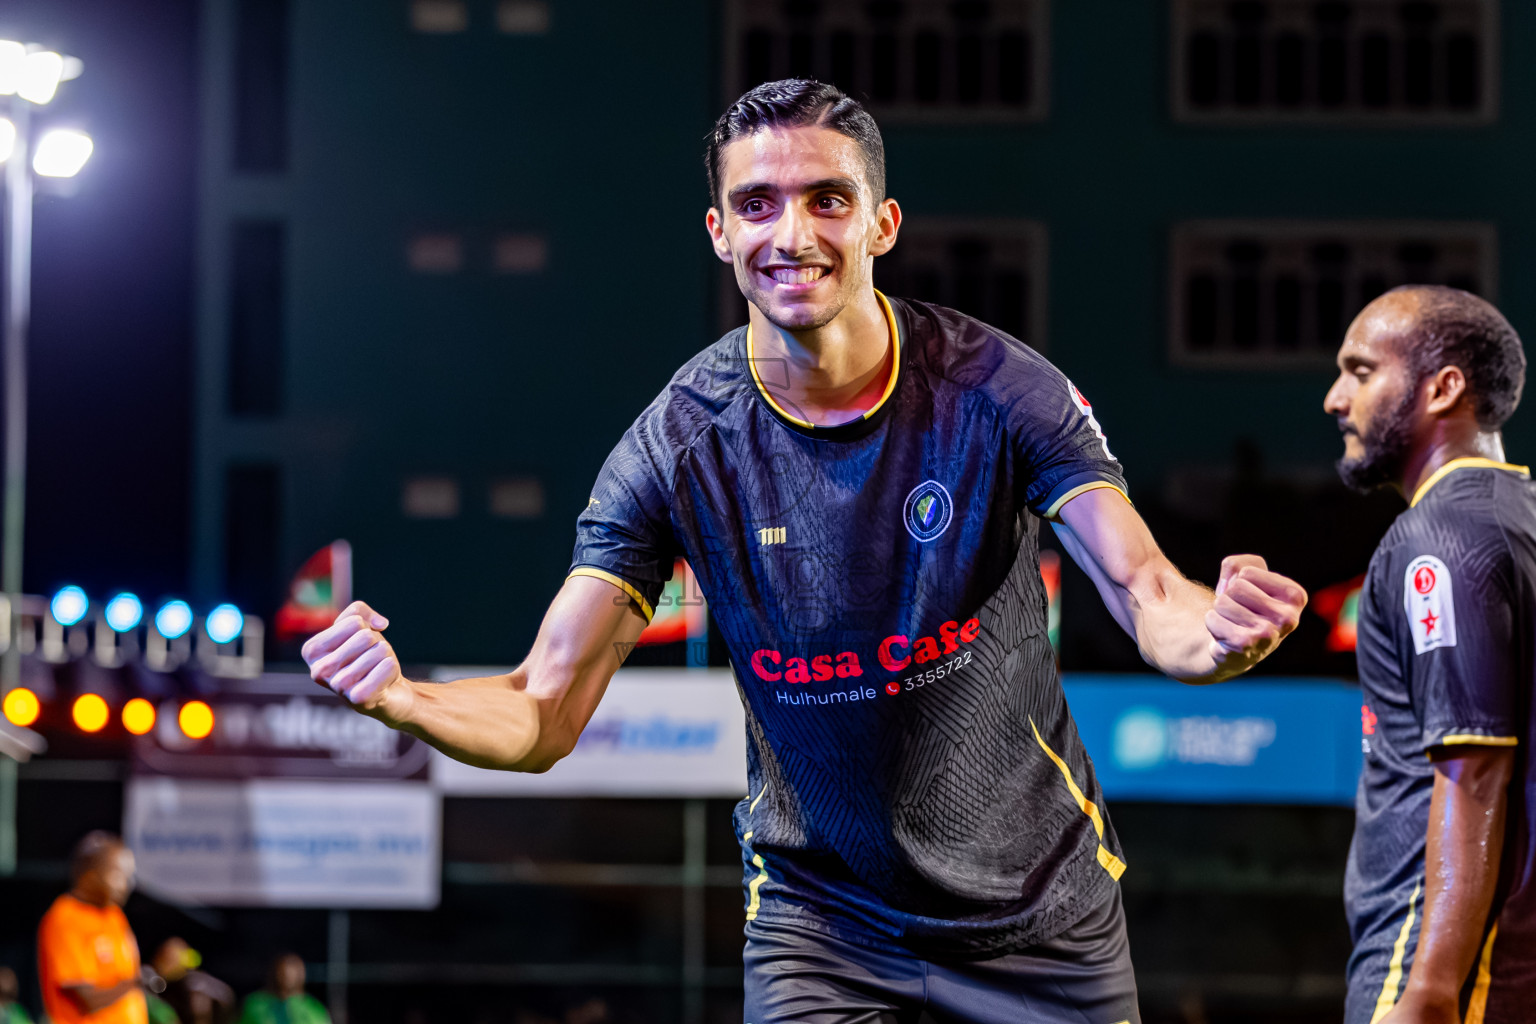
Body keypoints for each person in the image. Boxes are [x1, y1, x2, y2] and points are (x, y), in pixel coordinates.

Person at [303, 79, 1307, 1023]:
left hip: (1038, 922)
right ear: (719, 232)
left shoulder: (1000, 389)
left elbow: (1149, 593)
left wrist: (1217, 636)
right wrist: (402, 697)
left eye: (828, 199)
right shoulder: (676, 446)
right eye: (758, 203)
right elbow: (541, 710)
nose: (793, 234)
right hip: (819, 927)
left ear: (882, 224)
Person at [1324, 285, 1533, 1024]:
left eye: (1360, 371)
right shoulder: (1522, 521)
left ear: (1444, 388)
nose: (1333, 399)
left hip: (1438, 969)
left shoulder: (1437, 542)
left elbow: (1473, 766)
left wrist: (1428, 992)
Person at [36, 831, 147, 1024]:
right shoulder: (65, 918)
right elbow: (87, 1000)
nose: (127, 885)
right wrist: (138, 981)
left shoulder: (114, 915)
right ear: (89, 875)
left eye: (130, 877)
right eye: (118, 875)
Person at [237, 955, 329, 1024]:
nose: (287, 977)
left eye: (292, 974)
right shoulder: (255, 1005)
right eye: (282, 973)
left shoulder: (312, 1008)